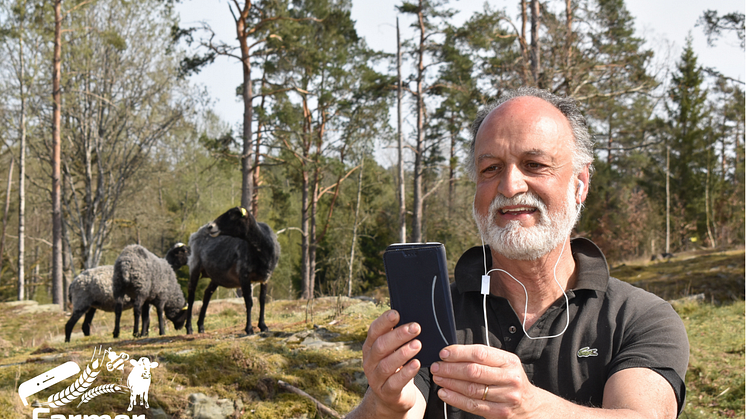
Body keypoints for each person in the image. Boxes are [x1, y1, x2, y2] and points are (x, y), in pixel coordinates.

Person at [347, 87, 689, 419]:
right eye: (491, 168)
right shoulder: (435, 313)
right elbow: (402, 406)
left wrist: (532, 409)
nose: (510, 186)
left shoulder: (638, 318)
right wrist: (386, 407)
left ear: (580, 183)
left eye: (534, 164)